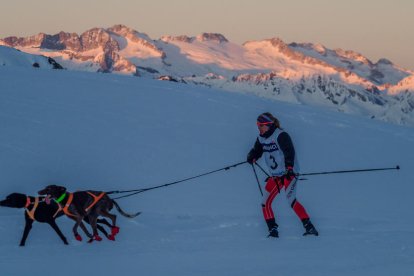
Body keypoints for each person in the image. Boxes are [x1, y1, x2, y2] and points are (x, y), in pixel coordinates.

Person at [247, 112, 318, 238]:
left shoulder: (280, 135)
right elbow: (257, 151)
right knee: (265, 203)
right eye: (258, 126)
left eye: (261, 126)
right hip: (275, 175)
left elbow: (289, 152)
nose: (259, 128)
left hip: (288, 173)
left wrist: (289, 168)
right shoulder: (261, 138)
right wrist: (252, 156)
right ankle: (273, 231)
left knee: (291, 200)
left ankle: (309, 227)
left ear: (268, 125)